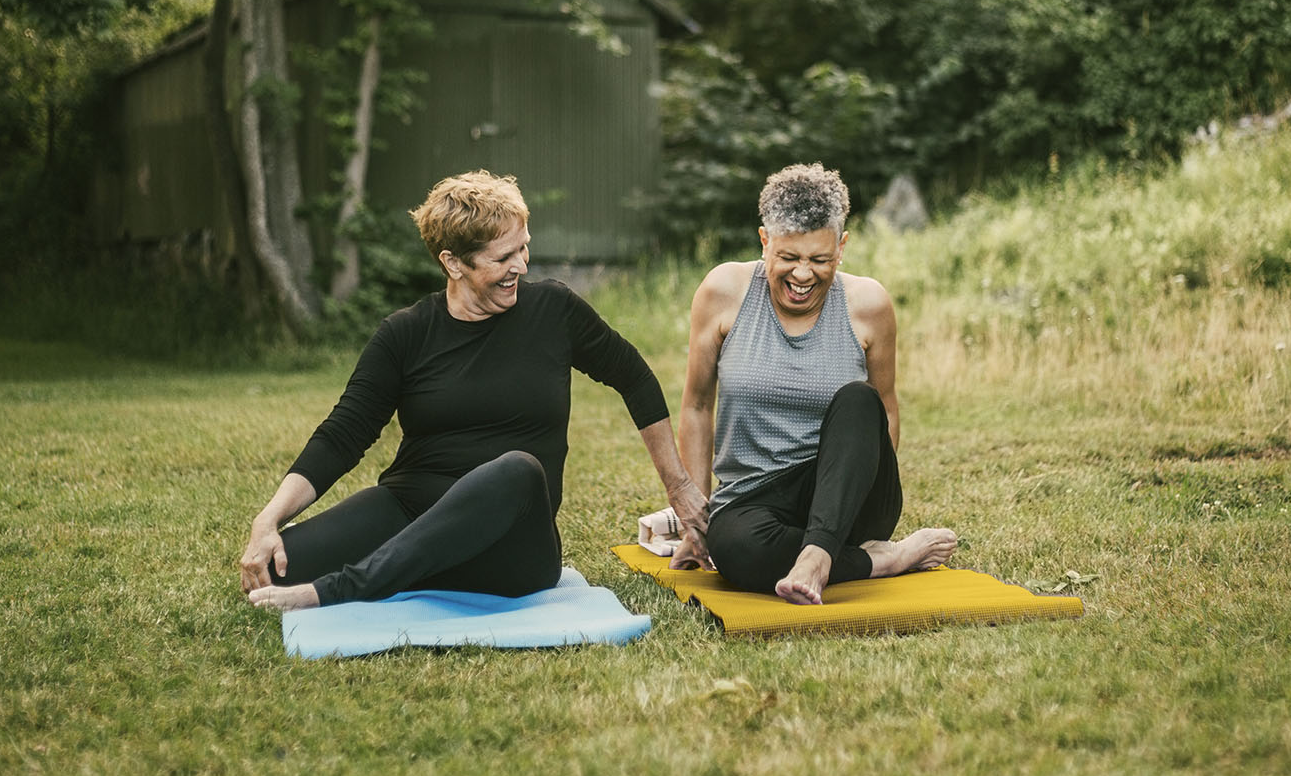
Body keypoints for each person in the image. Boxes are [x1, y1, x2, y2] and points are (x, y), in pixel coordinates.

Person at [241, 171, 711, 611]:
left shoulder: (554, 310)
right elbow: (343, 434)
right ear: (452, 263)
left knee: (517, 469)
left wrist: (679, 486)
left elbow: (634, 377)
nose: (521, 267)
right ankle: (412, 567)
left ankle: (348, 587)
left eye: (523, 249)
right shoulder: (406, 334)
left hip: (512, 540)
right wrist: (269, 520)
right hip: (412, 509)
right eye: (503, 258)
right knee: (278, 569)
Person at [671, 162, 956, 604]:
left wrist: (851, 500)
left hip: (844, 496)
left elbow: (885, 415)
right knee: (734, 551)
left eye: (820, 260)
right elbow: (696, 406)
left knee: (861, 401)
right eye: (788, 258)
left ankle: (821, 552)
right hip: (755, 498)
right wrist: (695, 519)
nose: (803, 275)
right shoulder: (723, 292)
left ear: (841, 248)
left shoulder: (869, 304)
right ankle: (884, 561)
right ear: (765, 241)